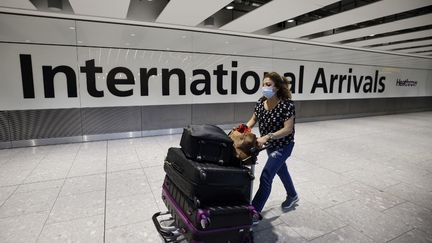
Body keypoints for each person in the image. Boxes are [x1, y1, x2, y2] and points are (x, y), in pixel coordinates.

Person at [246, 71, 298, 217]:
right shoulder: (260, 102)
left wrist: (267, 137)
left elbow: (288, 129)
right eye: (263, 85)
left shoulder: (286, 105)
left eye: (268, 85)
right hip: (270, 146)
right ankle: (293, 195)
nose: (265, 88)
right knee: (282, 170)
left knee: (266, 176)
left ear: (277, 87)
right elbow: (253, 120)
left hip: (283, 145)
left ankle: (254, 213)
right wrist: (241, 130)